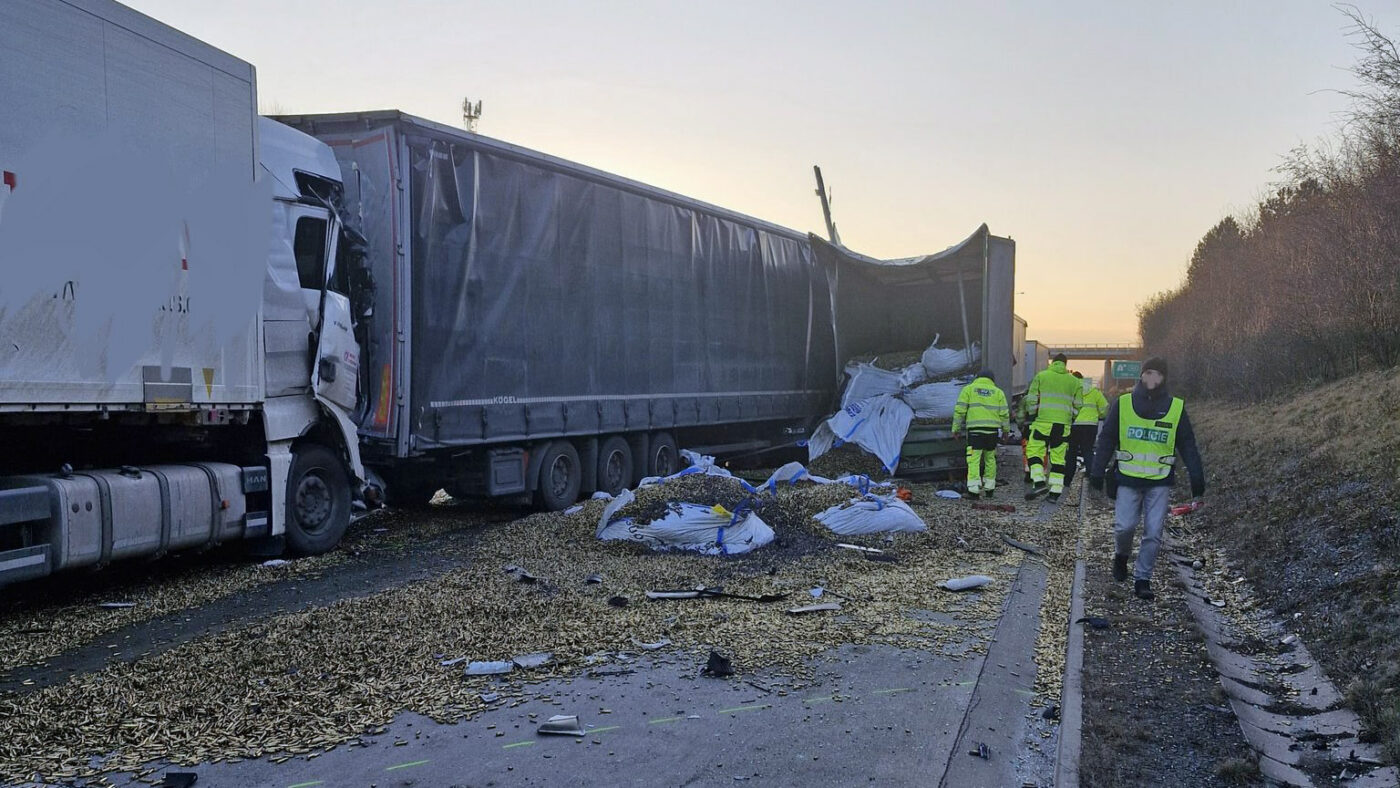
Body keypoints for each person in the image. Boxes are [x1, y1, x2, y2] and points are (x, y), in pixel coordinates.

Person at [1089, 357, 1205, 600]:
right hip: (1127, 479)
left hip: (1159, 481)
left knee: (1153, 533)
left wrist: (1197, 477)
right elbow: (1107, 439)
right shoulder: (1122, 404)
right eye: (1149, 373)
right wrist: (1097, 470)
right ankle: (1121, 557)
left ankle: (1143, 579)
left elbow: (1187, 445)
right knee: (1124, 527)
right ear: (1142, 375)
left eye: (1158, 374)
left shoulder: (1175, 408)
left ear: (1164, 379)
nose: (1152, 378)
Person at [1023, 353, 1083, 502]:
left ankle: (1039, 481)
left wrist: (1033, 413)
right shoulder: (1075, 381)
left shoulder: (1041, 376)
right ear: (1065, 364)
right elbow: (1078, 405)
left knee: (1034, 451)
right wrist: (1071, 417)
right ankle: (1055, 493)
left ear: (1053, 362)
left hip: (1042, 422)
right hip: (1062, 426)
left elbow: (1031, 399)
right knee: (1058, 458)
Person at [952, 369, 1012, 498]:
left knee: (974, 460)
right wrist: (1006, 431)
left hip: (975, 432)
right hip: (992, 432)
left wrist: (956, 429)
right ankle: (989, 489)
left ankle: (973, 491)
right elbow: (1005, 414)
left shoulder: (969, 389)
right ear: (992, 380)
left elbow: (959, 411)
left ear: (977, 377)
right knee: (990, 459)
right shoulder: (998, 392)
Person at [1063, 371, 1108, 491]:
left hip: (1074, 425)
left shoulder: (1070, 390)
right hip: (1090, 425)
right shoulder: (1094, 392)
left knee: (1071, 452)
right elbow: (1104, 408)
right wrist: (1099, 415)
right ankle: (1091, 475)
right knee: (1088, 450)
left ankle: (1067, 480)